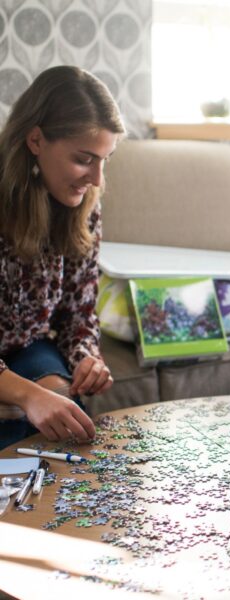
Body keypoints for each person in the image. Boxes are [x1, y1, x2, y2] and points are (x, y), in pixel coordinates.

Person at [0, 66, 125, 449]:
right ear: (35, 140)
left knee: (63, 409)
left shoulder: (83, 206)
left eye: (105, 159)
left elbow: (77, 313)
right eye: (85, 159)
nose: (98, 179)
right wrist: (26, 395)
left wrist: (87, 358)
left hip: (28, 347)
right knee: (26, 415)